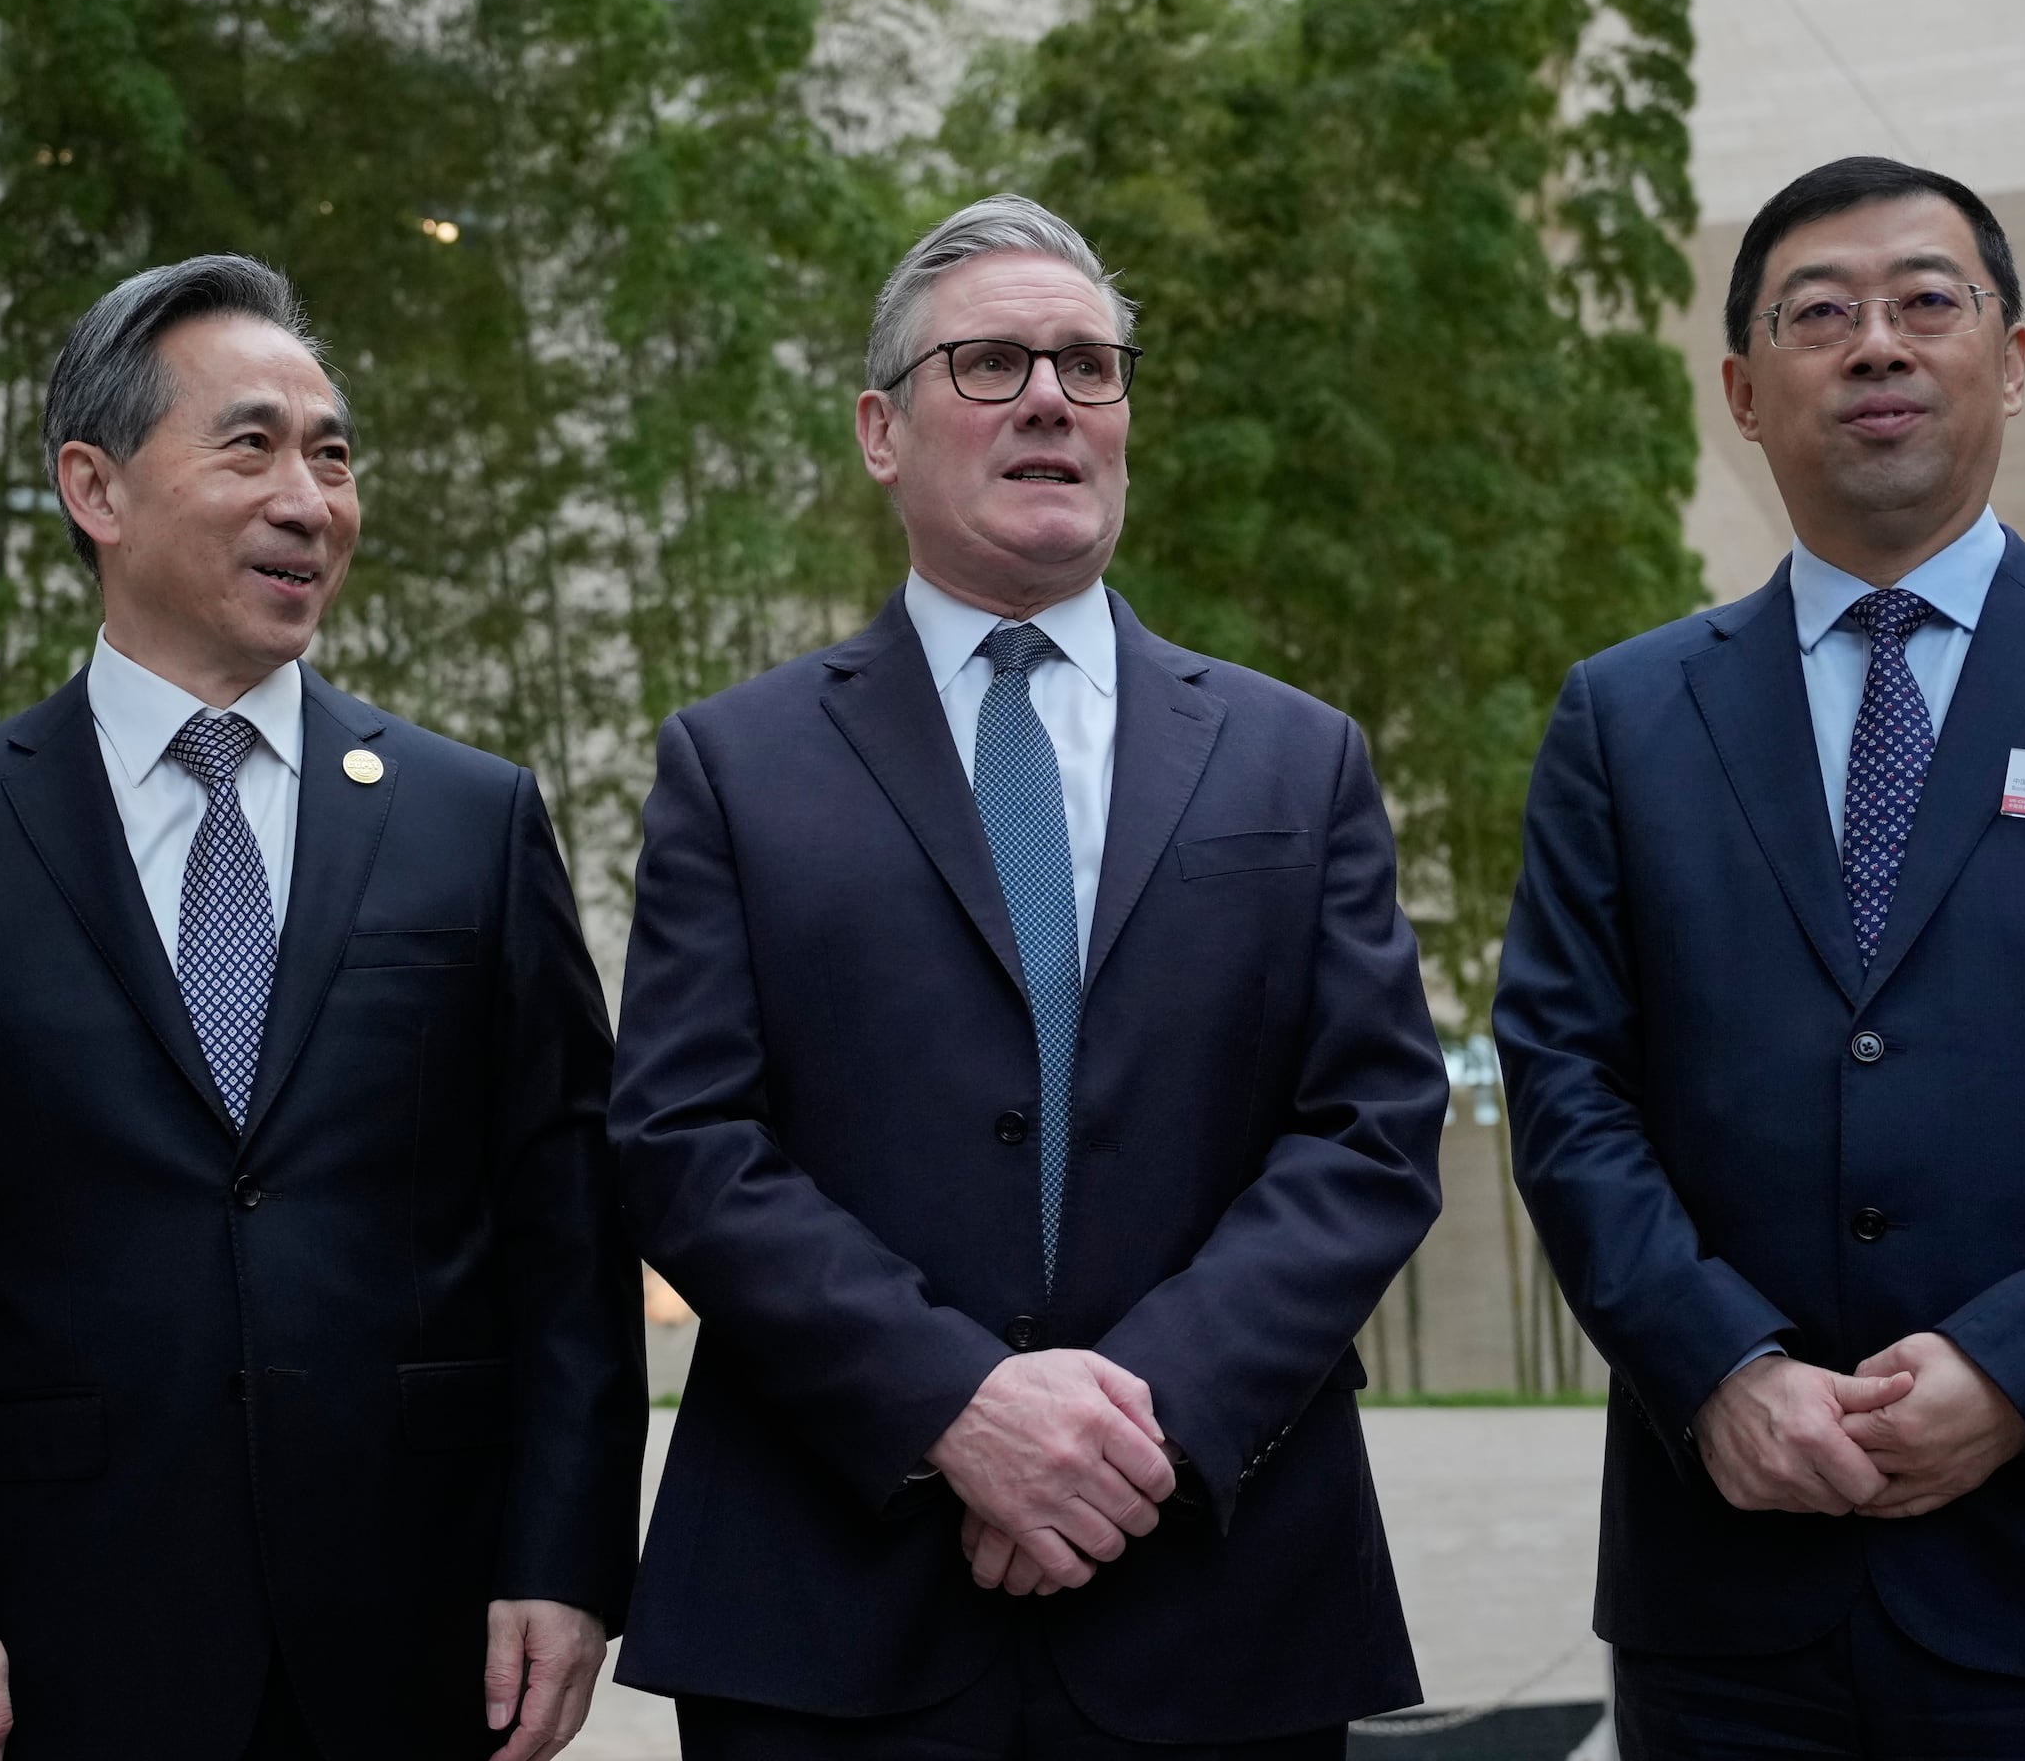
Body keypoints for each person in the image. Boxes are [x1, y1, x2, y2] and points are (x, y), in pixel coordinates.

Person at [1492, 156, 2025, 1758]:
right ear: (1744, 389)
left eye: (1926, 303)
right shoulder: (1626, 715)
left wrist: (2020, 1371)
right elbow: (1565, 1082)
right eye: (1820, 315)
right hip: (1736, 1593)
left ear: (2009, 356)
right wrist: (1717, 1365)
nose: (1876, 345)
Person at [607, 197, 1450, 1758]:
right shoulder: (737, 765)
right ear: (882, 429)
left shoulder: (1295, 755)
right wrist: (958, 1406)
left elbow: (1374, 1131)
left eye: (1088, 364)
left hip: (1218, 1589)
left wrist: (1134, 1422)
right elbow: (685, 1142)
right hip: (833, 1608)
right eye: (990, 363)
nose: (1052, 397)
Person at [0, 255, 640, 1761]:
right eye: (250, 445)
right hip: (64, 1632)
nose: (311, 498)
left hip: (423, 1627)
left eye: (333, 453)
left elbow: (566, 1226)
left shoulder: (471, 820)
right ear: (95, 489)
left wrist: (564, 1559)